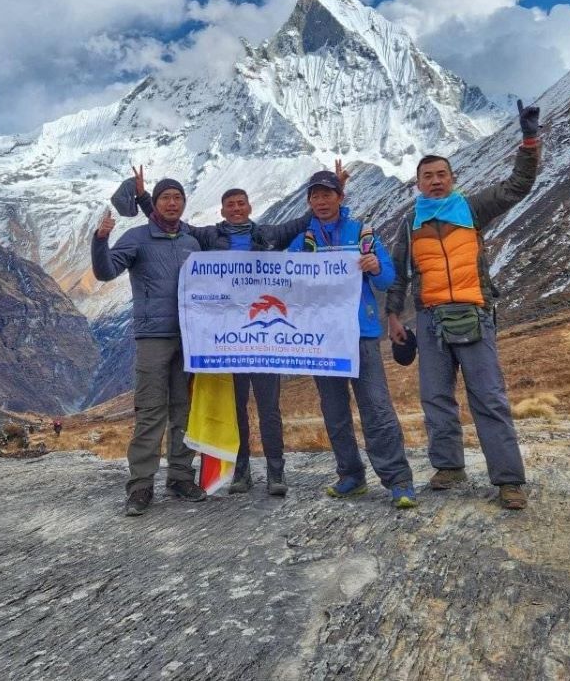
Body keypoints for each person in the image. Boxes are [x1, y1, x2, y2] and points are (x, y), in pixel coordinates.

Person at [120, 162, 347, 497]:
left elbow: (305, 220)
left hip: (267, 339)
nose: (237, 209)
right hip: (231, 340)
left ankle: (275, 472)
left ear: (249, 207)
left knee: (269, 409)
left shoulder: (269, 235)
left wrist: (338, 190)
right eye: (231, 205)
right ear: (223, 210)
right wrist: (143, 199)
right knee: (236, 408)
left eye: (242, 204)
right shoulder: (209, 236)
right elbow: (170, 224)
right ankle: (241, 472)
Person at [385, 100, 540, 510]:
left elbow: (517, 187)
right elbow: (399, 272)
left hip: (475, 313)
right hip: (430, 320)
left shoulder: (471, 209)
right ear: (417, 183)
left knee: (488, 397)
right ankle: (449, 467)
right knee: (436, 397)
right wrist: (394, 316)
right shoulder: (409, 222)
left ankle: (508, 481)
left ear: (453, 178)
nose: (435, 182)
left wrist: (529, 141)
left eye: (441, 175)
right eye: (428, 177)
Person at [286, 169, 417, 509]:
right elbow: (283, 277)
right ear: (309, 201)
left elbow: (388, 279)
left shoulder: (362, 233)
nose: (321, 201)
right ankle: (351, 476)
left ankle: (398, 480)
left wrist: (374, 265)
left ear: (340, 198)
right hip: (321, 337)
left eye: (327, 194)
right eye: (315, 196)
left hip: (361, 333)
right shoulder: (302, 239)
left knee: (375, 406)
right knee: (334, 409)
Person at [92, 177, 208, 516]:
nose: (172, 203)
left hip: (189, 337)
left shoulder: (192, 241)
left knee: (183, 410)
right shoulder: (137, 238)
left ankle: (181, 476)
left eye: (178, 198)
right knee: (150, 410)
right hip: (153, 338)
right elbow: (105, 272)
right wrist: (100, 239)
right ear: (154, 203)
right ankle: (141, 485)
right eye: (165, 198)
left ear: (184, 203)